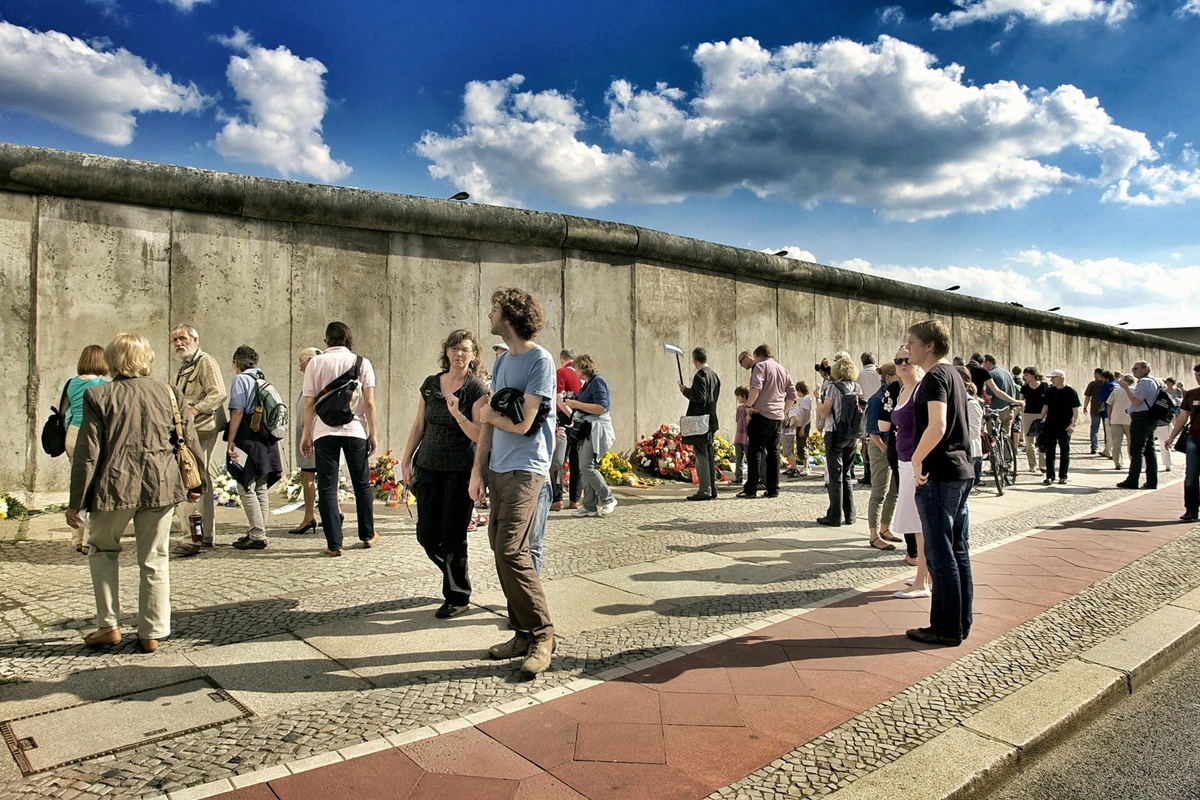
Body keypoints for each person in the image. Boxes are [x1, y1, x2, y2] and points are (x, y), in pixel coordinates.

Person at [66, 333, 208, 653]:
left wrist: (75, 502)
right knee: (155, 558)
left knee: (102, 550)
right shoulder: (170, 393)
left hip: (113, 486)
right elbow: (189, 439)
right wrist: (197, 483)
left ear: (113, 360)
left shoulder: (99, 396)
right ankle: (152, 632)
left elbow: (87, 454)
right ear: (148, 358)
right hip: (161, 486)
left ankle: (108, 625)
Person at [469, 286, 556, 676]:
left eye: (494, 308)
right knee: (498, 548)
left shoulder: (541, 361)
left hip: (528, 465)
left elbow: (523, 424)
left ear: (511, 315)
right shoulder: (503, 363)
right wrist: (478, 470)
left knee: (511, 549)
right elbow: (488, 420)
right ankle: (521, 632)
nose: (489, 314)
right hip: (499, 467)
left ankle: (543, 634)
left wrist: (488, 417)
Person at [401, 329, 490, 618]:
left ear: (473, 355)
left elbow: (480, 434)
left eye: (465, 349)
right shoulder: (431, 384)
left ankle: (457, 596)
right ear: (447, 352)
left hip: (459, 471)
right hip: (427, 467)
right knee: (426, 536)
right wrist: (406, 460)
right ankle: (455, 574)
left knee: (452, 537)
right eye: (454, 348)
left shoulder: (475, 389)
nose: (459, 354)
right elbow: (418, 426)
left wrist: (458, 415)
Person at [907, 320, 974, 646]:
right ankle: (960, 622)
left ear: (929, 345)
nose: (908, 349)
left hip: (939, 474)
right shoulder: (955, 375)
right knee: (958, 550)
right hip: (960, 472)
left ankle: (945, 628)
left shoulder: (934, 377)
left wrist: (917, 459)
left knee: (940, 554)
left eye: (912, 343)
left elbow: (937, 425)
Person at [300, 321, 379, 556]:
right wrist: (372, 433)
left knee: (327, 486)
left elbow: (309, 401)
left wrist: (306, 434)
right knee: (361, 483)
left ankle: (334, 544)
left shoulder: (315, 363)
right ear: (349, 339)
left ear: (327, 340)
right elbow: (370, 402)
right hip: (354, 429)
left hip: (324, 431)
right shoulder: (362, 363)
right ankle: (367, 535)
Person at [169, 325, 227, 557]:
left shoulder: (205, 361)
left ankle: (192, 538)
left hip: (201, 429)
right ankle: (204, 535)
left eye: (182, 338)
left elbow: (218, 393)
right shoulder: (184, 367)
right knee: (200, 481)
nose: (178, 343)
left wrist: (194, 411)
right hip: (187, 431)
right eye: (174, 340)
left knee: (188, 480)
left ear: (194, 339)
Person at [225, 346, 284, 550]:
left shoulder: (240, 380)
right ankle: (259, 531)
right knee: (260, 486)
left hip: (249, 439)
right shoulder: (263, 379)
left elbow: (237, 412)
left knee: (245, 485)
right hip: (266, 440)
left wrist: (231, 440)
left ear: (236, 363)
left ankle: (258, 534)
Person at [888, 345, 929, 598]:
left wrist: (918, 463)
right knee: (915, 523)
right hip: (904, 461)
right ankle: (924, 574)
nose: (903, 363)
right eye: (898, 360)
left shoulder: (922, 389)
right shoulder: (904, 388)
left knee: (921, 524)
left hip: (916, 463)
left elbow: (931, 427)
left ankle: (922, 581)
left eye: (907, 359)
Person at [288, 347, 341, 535]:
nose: (300, 368)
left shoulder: (313, 384)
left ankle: (309, 516)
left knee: (308, 476)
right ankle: (336, 512)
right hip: (316, 435)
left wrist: (306, 436)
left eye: (301, 362)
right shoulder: (322, 382)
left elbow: (309, 411)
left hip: (311, 437)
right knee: (327, 476)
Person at [62, 345, 109, 554]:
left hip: (72, 434)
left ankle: (76, 538)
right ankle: (90, 539)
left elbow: (62, 410)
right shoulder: (102, 384)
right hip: (91, 435)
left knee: (77, 482)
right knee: (94, 486)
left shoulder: (71, 383)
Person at [739, 344, 796, 499]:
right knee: (774, 453)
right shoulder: (782, 369)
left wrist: (749, 406)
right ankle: (773, 488)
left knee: (755, 452)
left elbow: (755, 388)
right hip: (777, 417)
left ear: (758, 355)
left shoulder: (760, 366)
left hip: (761, 414)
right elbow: (792, 393)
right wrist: (784, 411)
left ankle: (751, 488)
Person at [565, 354, 617, 516]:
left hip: (595, 428)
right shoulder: (588, 384)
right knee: (586, 467)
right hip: (586, 428)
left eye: (576, 368)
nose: (574, 372)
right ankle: (589, 506)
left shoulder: (597, 382)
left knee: (586, 466)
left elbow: (602, 407)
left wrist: (576, 404)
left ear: (583, 368)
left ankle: (608, 498)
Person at [816, 356, 861, 526]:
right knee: (847, 474)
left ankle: (834, 515)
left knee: (835, 476)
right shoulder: (857, 386)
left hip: (834, 432)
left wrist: (817, 399)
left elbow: (824, 412)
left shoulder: (834, 387)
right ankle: (850, 515)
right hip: (852, 434)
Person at [679, 347, 721, 501]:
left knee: (701, 455)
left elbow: (700, 397)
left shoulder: (700, 376)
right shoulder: (714, 375)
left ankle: (704, 490)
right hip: (711, 419)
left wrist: (685, 391)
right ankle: (711, 488)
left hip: (701, 421)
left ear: (695, 360)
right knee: (708, 455)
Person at [865, 362, 899, 548]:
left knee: (893, 491)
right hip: (881, 448)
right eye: (896, 374)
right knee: (879, 492)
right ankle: (874, 533)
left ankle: (885, 527)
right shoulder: (877, 399)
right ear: (888, 377)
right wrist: (885, 450)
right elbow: (872, 431)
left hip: (893, 448)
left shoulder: (897, 396)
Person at [1116, 360, 1161, 490]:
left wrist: (1126, 388)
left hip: (1141, 418)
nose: (1133, 371)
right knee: (1149, 449)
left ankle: (1132, 479)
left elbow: (1136, 400)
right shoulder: (1154, 381)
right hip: (1149, 418)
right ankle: (1152, 481)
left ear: (1145, 369)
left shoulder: (1144, 382)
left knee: (1136, 449)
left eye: (1136, 368)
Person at [1165, 365, 1200, 522]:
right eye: (1196, 375)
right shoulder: (1191, 394)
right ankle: (1191, 510)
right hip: (1194, 438)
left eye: (1199, 375)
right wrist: (1171, 437)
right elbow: (1183, 417)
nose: (1198, 377)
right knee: (1191, 474)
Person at [551, 349, 583, 511]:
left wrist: (569, 415)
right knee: (577, 460)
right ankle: (575, 499)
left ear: (562, 359)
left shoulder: (561, 372)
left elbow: (558, 397)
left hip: (563, 419)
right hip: (581, 421)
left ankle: (557, 499)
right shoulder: (582, 376)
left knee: (559, 460)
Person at [1039, 369, 1081, 485]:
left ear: (1061, 378)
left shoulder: (1071, 391)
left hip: (1065, 425)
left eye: (1053, 377)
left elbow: (1075, 409)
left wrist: (1074, 424)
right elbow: (1046, 406)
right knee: (1049, 451)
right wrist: (1040, 419)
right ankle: (1050, 476)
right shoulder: (1050, 391)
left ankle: (1063, 476)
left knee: (1064, 452)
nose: (1051, 379)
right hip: (1050, 425)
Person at [857, 353, 881, 486]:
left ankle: (868, 474)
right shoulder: (879, 373)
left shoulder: (860, 375)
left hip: (865, 411)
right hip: (881, 409)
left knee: (866, 444)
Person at [1019, 367, 1048, 475]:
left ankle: (1043, 464)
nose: (1024, 377)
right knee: (1029, 440)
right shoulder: (1025, 387)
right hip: (1027, 414)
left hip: (1041, 414)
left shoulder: (1044, 386)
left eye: (1026, 374)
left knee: (1041, 440)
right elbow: (1021, 401)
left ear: (1032, 375)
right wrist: (1016, 414)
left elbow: (1047, 402)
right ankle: (1032, 465)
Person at [1107, 373, 1135, 472]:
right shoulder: (1135, 391)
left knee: (1116, 442)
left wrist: (1110, 417)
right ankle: (1133, 461)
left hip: (1116, 418)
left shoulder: (1116, 391)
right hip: (1130, 419)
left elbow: (1109, 405)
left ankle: (1118, 462)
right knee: (1131, 442)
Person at [1082, 368, 1107, 455]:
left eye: (1094, 373)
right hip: (1105, 409)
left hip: (1095, 409)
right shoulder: (1106, 383)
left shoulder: (1093, 384)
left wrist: (1085, 407)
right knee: (1106, 429)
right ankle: (1107, 447)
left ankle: (1094, 447)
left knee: (1094, 428)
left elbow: (1087, 397)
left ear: (1097, 374)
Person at [732, 386, 750, 484]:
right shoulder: (740, 408)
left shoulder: (749, 408)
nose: (737, 399)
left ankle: (750, 477)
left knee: (748, 457)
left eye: (738, 396)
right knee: (738, 458)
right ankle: (738, 477)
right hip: (739, 436)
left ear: (743, 396)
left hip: (746, 436)